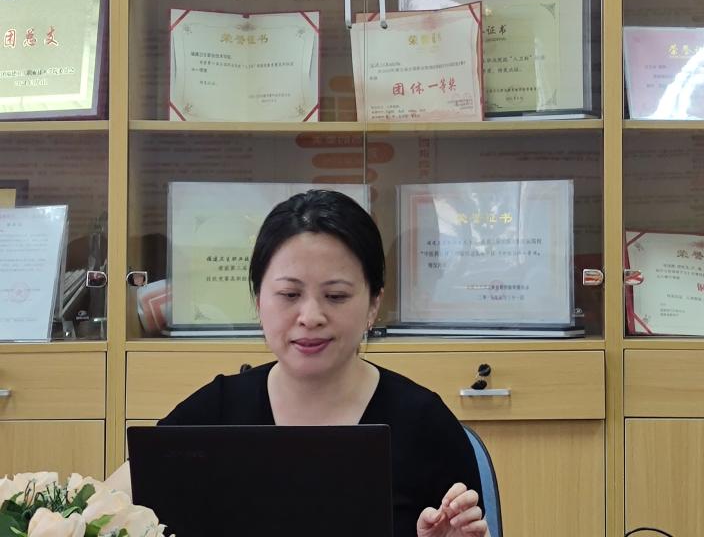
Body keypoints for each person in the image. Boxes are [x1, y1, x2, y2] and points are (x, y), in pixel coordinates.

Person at [108, 189, 489, 537]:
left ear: (374, 304)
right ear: (259, 300)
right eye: (289, 294)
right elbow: (101, 511)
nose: (310, 317)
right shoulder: (211, 414)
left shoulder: (426, 426)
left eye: (336, 296)